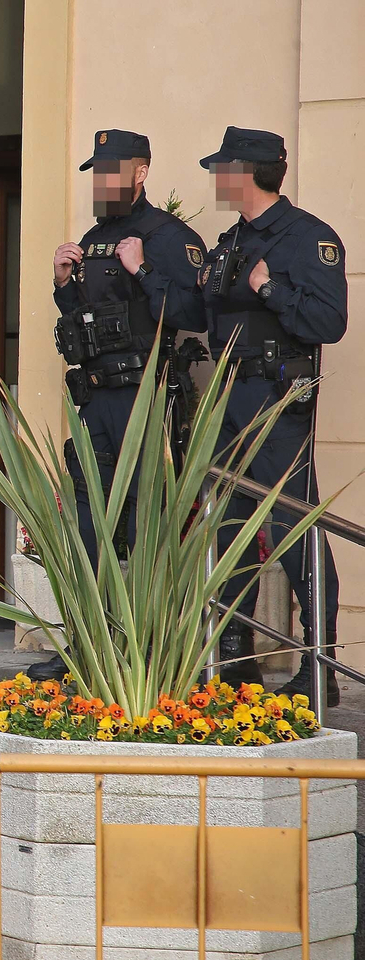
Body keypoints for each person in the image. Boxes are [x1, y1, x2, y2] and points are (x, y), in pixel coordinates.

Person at [25, 130, 209, 682]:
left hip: (143, 400)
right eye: (97, 173)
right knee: (88, 521)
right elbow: (83, 320)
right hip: (95, 398)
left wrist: (143, 270)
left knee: (142, 520)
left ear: (141, 172)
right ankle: (84, 645)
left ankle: (145, 648)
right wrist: (62, 282)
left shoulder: (168, 237)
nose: (102, 182)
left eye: (113, 171)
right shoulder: (95, 237)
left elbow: (196, 313)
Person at [199, 126, 348, 704]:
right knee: (228, 526)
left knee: (292, 525)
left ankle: (319, 666)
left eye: (222, 169)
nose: (215, 179)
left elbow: (327, 324)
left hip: (275, 398)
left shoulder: (307, 238)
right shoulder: (231, 239)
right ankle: (236, 659)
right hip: (228, 398)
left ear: (246, 174)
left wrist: (271, 291)